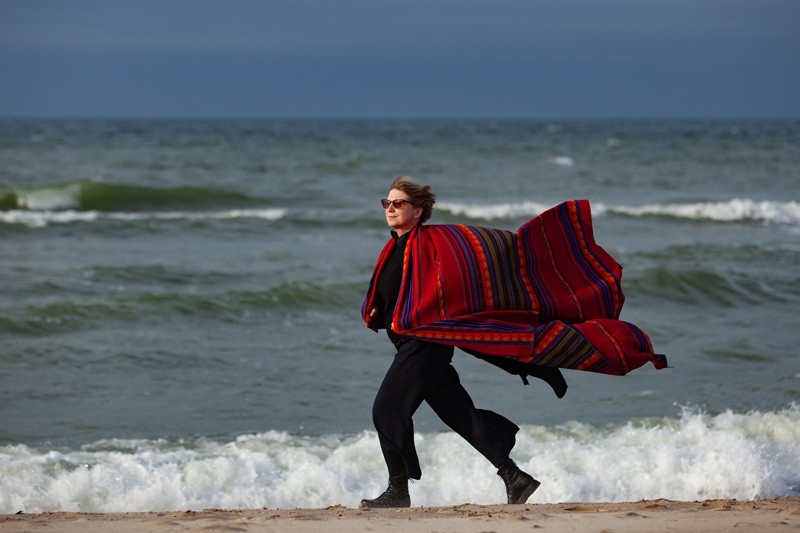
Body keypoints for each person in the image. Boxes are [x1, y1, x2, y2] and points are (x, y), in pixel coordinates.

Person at [359, 176, 540, 508]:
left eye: (399, 203)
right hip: (409, 344)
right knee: (460, 415)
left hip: (425, 342)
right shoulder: (394, 247)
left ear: (418, 211)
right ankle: (516, 478)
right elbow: (398, 290)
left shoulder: (432, 241)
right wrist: (377, 308)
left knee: (387, 409)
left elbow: (461, 271)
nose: (391, 208)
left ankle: (398, 490)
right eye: (387, 203)